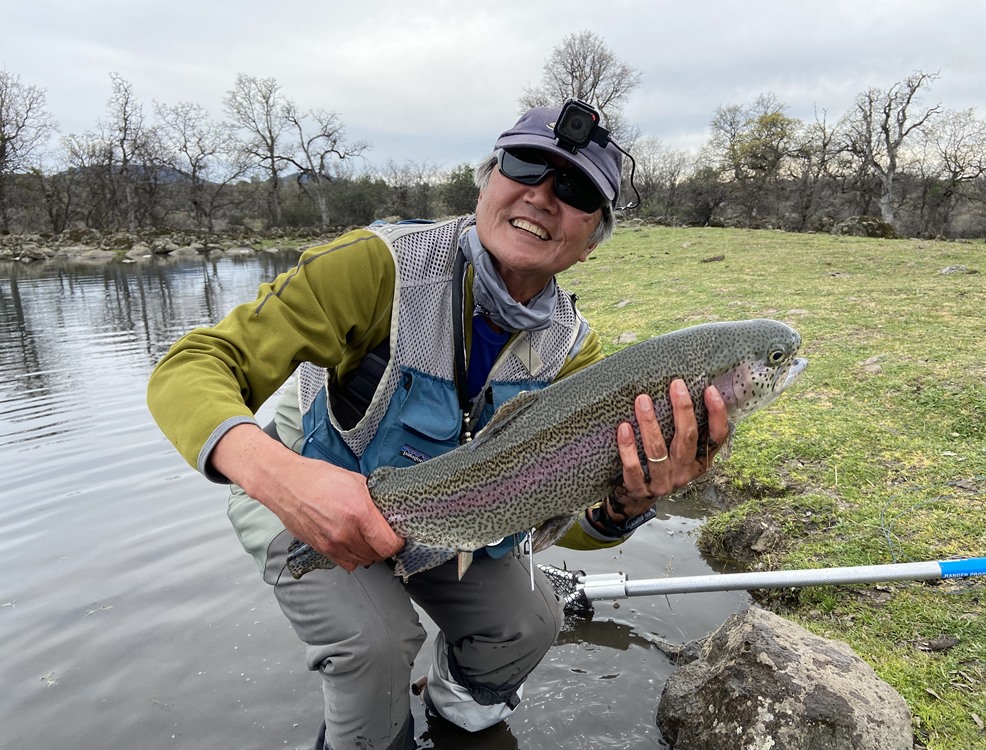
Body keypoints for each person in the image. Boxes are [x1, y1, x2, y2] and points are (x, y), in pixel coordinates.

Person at [147, 103, 731, 750]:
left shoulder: (575, 354)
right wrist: (279, 477)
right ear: (487, 180)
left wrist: (630, 503)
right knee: (375, 644)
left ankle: (457, 723)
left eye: (575, 190)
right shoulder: (376, 267)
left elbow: (554, 518)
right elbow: (191, 366)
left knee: (532, 622)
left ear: (592, 242)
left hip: (447, 512)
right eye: (525, 165)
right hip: (300, 491)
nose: (541, 195)